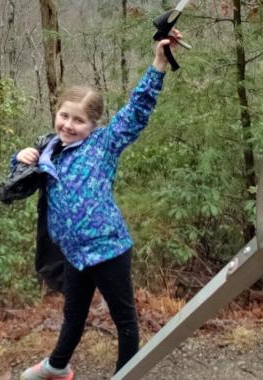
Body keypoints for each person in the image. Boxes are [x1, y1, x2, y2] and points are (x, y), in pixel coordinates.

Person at [13, 30, 184, 380]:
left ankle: (125, 374)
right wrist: (20, 160)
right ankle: (57, 367)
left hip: (108, 249)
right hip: (74, 254)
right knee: (74, 315)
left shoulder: (104, 144)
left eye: (79, 120)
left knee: (125, 319)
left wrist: (158, 63)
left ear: (93, 125)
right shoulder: (50, 152)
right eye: (64, 116)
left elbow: (136, 111)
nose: (69, 125)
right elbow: (12, 189)